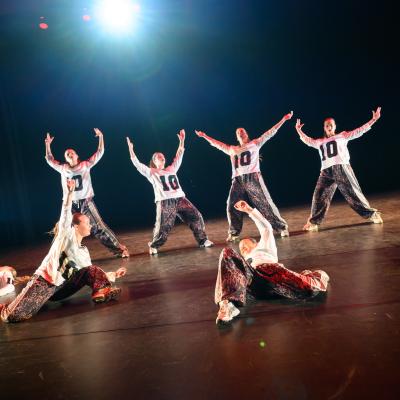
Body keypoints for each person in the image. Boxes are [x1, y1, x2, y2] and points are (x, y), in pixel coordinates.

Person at [0, 180, 123, 323]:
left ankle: (101, 292)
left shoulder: (84, 252)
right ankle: (5, 308)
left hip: (62, 288)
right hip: (45, 283)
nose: (90, 226)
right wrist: (69, 193)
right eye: (87, 223)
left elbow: (92, 275)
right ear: (75, 226)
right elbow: (65, 214)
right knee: (12, 317)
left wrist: (114, 274)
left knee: (91, 270)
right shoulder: (66, 236)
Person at [215, 200, 329, 324]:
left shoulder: (264, 246)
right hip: (253, 284)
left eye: (245, 245)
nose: (243, 249)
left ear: (256, 244)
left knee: (309, 289)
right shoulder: (244, 264)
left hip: (273, 275)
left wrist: (248, 210)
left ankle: (318, 276)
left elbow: (266, 228)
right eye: (241, 248)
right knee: (227, 252)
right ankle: (227, 306)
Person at [196, 111, 293, 242]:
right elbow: (217, 144)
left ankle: (282, 227)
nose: (241, 133)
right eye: (238, 132)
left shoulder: (255, 143)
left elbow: (270, 132)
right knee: (231, 204)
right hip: (238, 180)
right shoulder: (232, 149)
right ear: (237, 137)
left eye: (242, 131)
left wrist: (284, 119)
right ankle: (234, 233)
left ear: (247, 134)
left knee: (265, 204)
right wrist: (205, 136)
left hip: (253, 178)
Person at [126, 130, 213, 255]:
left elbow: (179, 155)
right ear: (154, 161)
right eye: (158, 156)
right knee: (164, 226)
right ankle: (154, 245)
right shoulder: (151, 172)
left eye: (162, 156)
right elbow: (136, 163)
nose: (162, 157)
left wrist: (182, 141)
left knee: (196, 216)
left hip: (180, 198)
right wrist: (131, 149)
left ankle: (203, 240)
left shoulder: (171, 169)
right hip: (165, 201)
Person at [45, 129, 129, 257]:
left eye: (72, 152)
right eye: (67, 154)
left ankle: (118, 249)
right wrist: (47, 145)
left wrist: (101, 137)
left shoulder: (85, 165)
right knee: (66, 228)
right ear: (66, 158)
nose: (69, 154)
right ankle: (62, 256)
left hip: (86, 201)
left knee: (98, 226)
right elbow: (49, 159)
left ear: (77, 156)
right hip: (70, 203)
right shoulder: (63, 168)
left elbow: (100, 152)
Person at [295, 107, 383, 231]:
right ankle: (314, 222)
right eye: (327, 125)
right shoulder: (319, 142)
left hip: (341, 168)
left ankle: (372, 214)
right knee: (319, 197)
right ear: (324, 128)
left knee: (353, 195)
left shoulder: (342, 136)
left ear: (335, 126)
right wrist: (298, 130)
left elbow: (359, 131)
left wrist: (373, 120)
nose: (329, 126)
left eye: (331, 124)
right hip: (326, 172)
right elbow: (307, 140)